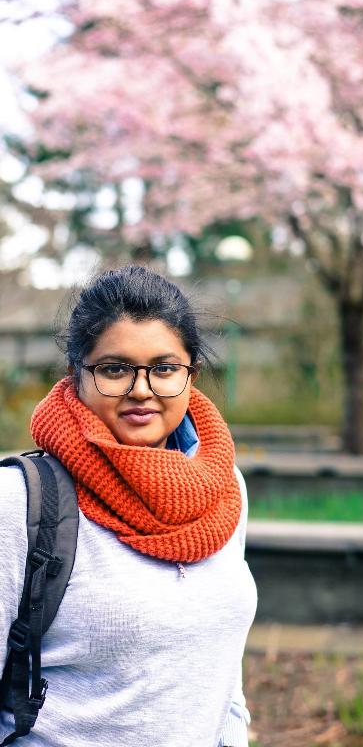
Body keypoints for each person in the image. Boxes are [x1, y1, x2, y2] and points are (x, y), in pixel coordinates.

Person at [0, 265, 258, 747]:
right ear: (76, 374)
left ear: (191, 375)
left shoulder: (226, 489)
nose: (142, 389)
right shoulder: (21, 504)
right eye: (115, 368)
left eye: (164, 368)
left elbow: (223, 675)